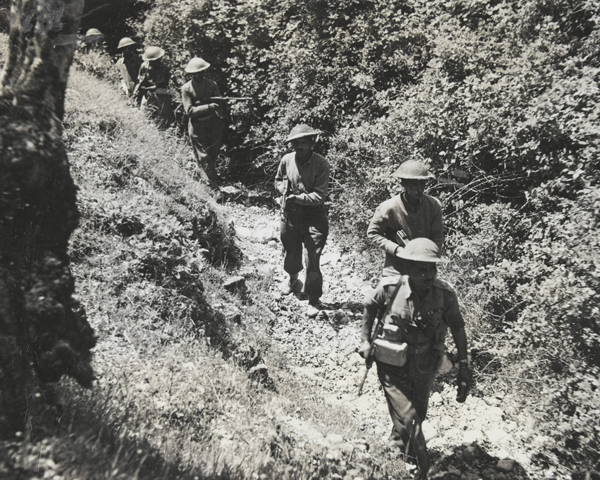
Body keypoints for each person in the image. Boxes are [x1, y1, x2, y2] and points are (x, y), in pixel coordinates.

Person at [358, 238, 471, 480]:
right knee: (408, 414)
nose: (428, 274)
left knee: (418, 411)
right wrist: (366, 341)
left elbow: (458, 327)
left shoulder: (444, 294)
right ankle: (425, 466)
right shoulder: (390, 288)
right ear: (407, 267)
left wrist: (464, 366)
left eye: (432, 268)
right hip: (391, 364)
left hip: (426, 363)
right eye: (421, 269)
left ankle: (397, 451)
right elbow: (369, 305)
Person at [275, 124, 330, 317]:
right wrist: (283, 191)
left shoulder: (322, 164)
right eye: (295, 143)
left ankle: (313, 298)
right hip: (290, 213)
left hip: (314, 216)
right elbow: (278, 179)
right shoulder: (286, 160)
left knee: (312, 258)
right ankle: (293, 280)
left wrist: (299, 198)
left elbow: (320, 196)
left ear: (312, 143)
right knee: (290, 250)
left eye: (303, 143)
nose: (298, 147)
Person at [367, 160, 443, 277]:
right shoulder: (388, 208)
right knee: (393, 293)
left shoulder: (433, 205)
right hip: (397, 267)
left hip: (424, 267)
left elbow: (437, 236)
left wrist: (430, 257)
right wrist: (397, 250)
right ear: (404, 184)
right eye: (414, 184)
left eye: (422, 184)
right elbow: (373, 233)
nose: (419, 189)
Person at [180, 57, 224, 190]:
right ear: (191, 74)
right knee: (204, 156)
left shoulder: (212, 85)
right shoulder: (186, 89)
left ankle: (209, 181)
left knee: (212, 154)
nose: (201, 75)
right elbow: (189, 110)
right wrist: (208, 106)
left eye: (203, 72)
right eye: (197, 73)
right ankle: (215, 187)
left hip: (212, 125)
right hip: (197, 126)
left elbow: (219, 102)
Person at [134, 46, 173, 129]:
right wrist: (138, 92)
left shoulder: (163, 68)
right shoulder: (144, 66)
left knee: (161, 119)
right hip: (147, 95)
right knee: (145, 117)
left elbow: (160, 86)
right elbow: (140, 79)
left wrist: (146, 89)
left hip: (160, 94)